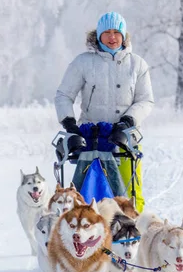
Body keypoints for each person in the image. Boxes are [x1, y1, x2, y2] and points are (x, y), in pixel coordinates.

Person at [54, 11, 154, 212]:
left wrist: (127, 122)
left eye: (116, 32)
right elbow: (63, 95)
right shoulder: (83, 62)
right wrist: (71, 127)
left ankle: (131, 237)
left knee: (130, 195)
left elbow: (145, 101)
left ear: (124, 36)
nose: (112, 37)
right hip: (91, 138)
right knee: (87, 194)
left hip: (125, 141)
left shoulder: (137, 64)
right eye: (106, 32)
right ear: (98, 36)